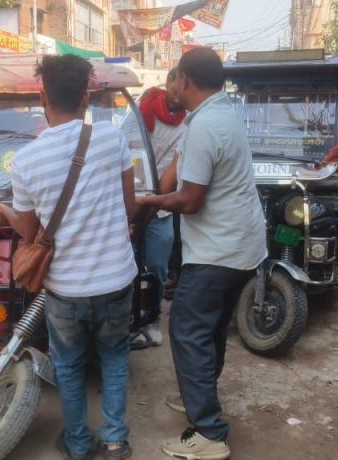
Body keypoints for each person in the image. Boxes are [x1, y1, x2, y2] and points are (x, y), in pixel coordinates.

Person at [0, 55, 138, 460]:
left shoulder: (26, 161)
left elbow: (29, 232)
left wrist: (1, 210)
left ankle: (78, 443)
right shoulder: (112, 138)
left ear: (43, 98)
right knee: (114, 357)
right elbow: (130, 207)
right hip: (117, 280)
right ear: (85, 97)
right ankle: (115, 441)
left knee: (68, 365)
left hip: (66, 290)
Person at [136, 48, 267, 460]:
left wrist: (149, 201)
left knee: (187, 330)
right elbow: (183, 179)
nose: (171, 86)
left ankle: (209, 432)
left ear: (185, 81)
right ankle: (199, 396)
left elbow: (190, 200)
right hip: (243, 246)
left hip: (218, 251)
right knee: (210, 330)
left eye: (174, 79)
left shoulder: (205, 125)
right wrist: (157, 196)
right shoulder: (222, 114)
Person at [130, 69, 187, 350]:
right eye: (173, 92)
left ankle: (151, 319)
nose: (177, 98)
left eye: (181, 93)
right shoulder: (140, 110)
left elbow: (169, 179)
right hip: (130, 203)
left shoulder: (186, 126)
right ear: (168, 83)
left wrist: (150, 208)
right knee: (128, 266)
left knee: (156, 266)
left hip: (160, 210)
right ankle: (129, 320)